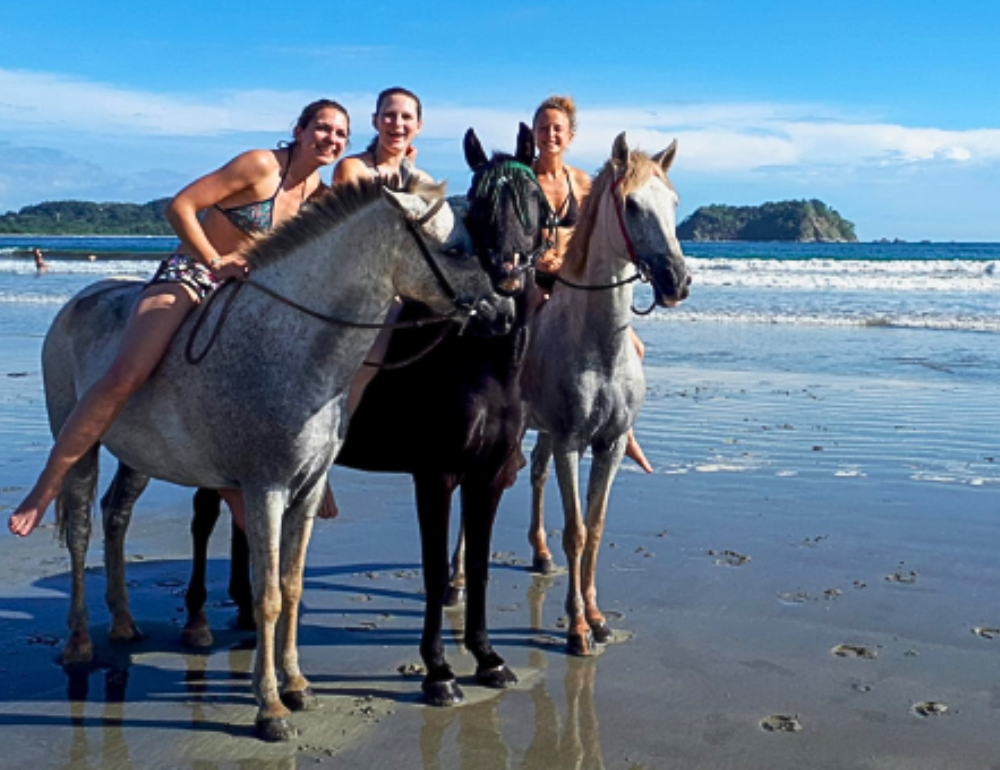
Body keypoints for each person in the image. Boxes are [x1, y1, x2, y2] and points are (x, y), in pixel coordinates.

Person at [8, 99, 351, 537]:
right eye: (322, 128)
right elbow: (181, 206)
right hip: (192, 273)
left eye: (341, 134)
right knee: (126, 374)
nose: (331, 139)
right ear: (300, 130)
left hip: (247, 298)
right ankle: (45, 486)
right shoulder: (261, 166)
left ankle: (315, 470)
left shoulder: (320, 199)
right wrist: (215, 260)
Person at [530, 95, 653, 473]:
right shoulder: (523, 177)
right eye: (543, 128)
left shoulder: (581, 181)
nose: (550, 134)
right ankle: (514, 426)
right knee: (513, 344)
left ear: (570, 136)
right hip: (532, 282)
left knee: (633, 345)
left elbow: (594, 237)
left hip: (573, 285)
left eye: (557, 129)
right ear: (534, 133)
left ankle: (624, 431)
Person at [333, 87, 430, 413]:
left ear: (418, 126)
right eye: (389, 115)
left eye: (406, 117)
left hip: (406, 284)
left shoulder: (423, 179)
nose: (397, 123)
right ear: (375, 121)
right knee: (368, 359)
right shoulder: (353, 169)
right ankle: (338, 430)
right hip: (358, 280)